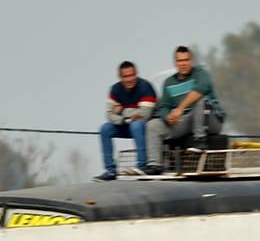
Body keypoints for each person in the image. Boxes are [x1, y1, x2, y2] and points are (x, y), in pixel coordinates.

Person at [144, 46, 225, 175]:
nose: (183, 64)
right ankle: (154, 164)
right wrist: (168, 117)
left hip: (210, 120)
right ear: (175, 63)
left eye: (186, 60)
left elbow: (201, 90)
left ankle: (199, 141)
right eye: (180, 61)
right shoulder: (168, 83)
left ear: (191, 61)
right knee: (152, 125)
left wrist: (180, 109)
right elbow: (163, 106)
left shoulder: (201, 74)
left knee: (201, 101)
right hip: (186, 121)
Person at [96, 60, 158, 181]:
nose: (129, 79)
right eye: (125, 76)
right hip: (125, 124)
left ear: (136, 74)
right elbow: (109, 115)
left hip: (143, 128)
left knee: (136, 125)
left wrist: (122, 110)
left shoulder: (145, 87)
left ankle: (141, 166)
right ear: (120, 77)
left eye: (131, 75)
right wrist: (125, 119)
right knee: (105, 128)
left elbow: (145, 114)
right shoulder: (115, 89)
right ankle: (110, 169)